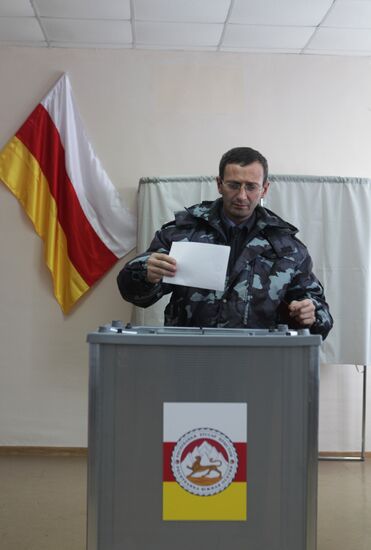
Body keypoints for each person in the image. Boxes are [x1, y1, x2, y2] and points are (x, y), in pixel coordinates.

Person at [117, 147, 333, 339]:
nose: (242, 195)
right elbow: (133, 292)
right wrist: (145, 273)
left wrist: (310, 312)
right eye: (234, 185)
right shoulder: (183, 233)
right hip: (189, 359)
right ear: (219, 184)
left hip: (260, 363)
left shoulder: (286, 246)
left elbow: (320, 316)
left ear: (264, 189)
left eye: (251, 187)